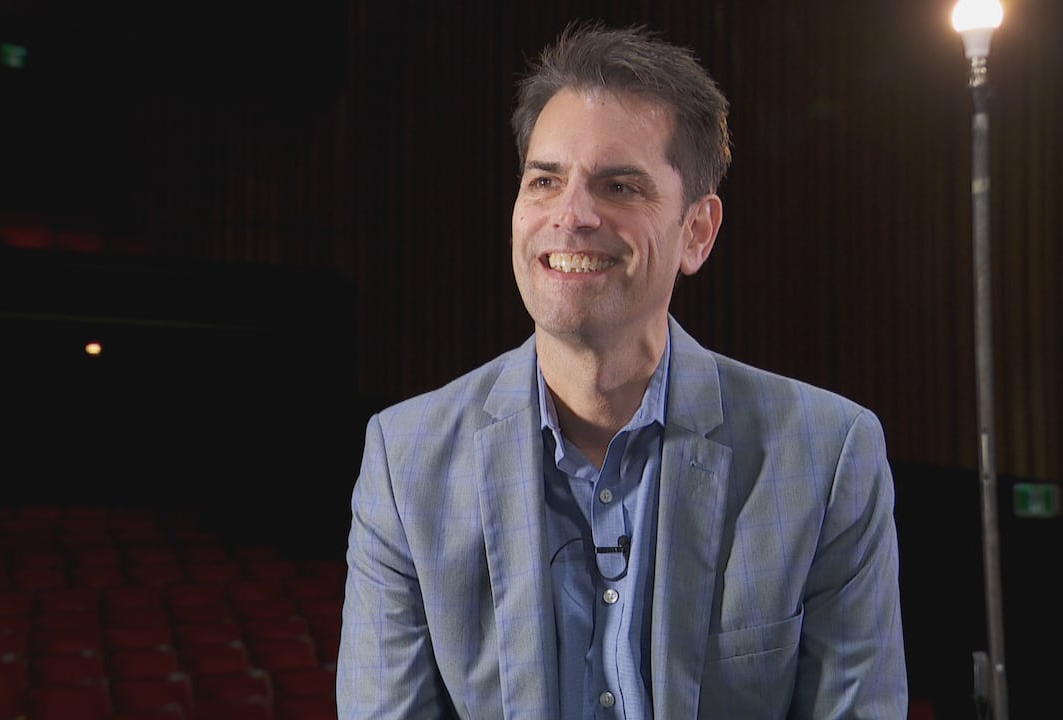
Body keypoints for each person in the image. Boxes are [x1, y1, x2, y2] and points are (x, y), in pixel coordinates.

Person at [336, 19, 907, 719]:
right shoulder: (405, 459)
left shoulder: (827, 455)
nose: (571, 215)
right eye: (545, 180)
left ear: (696, 232)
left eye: (620, 186)